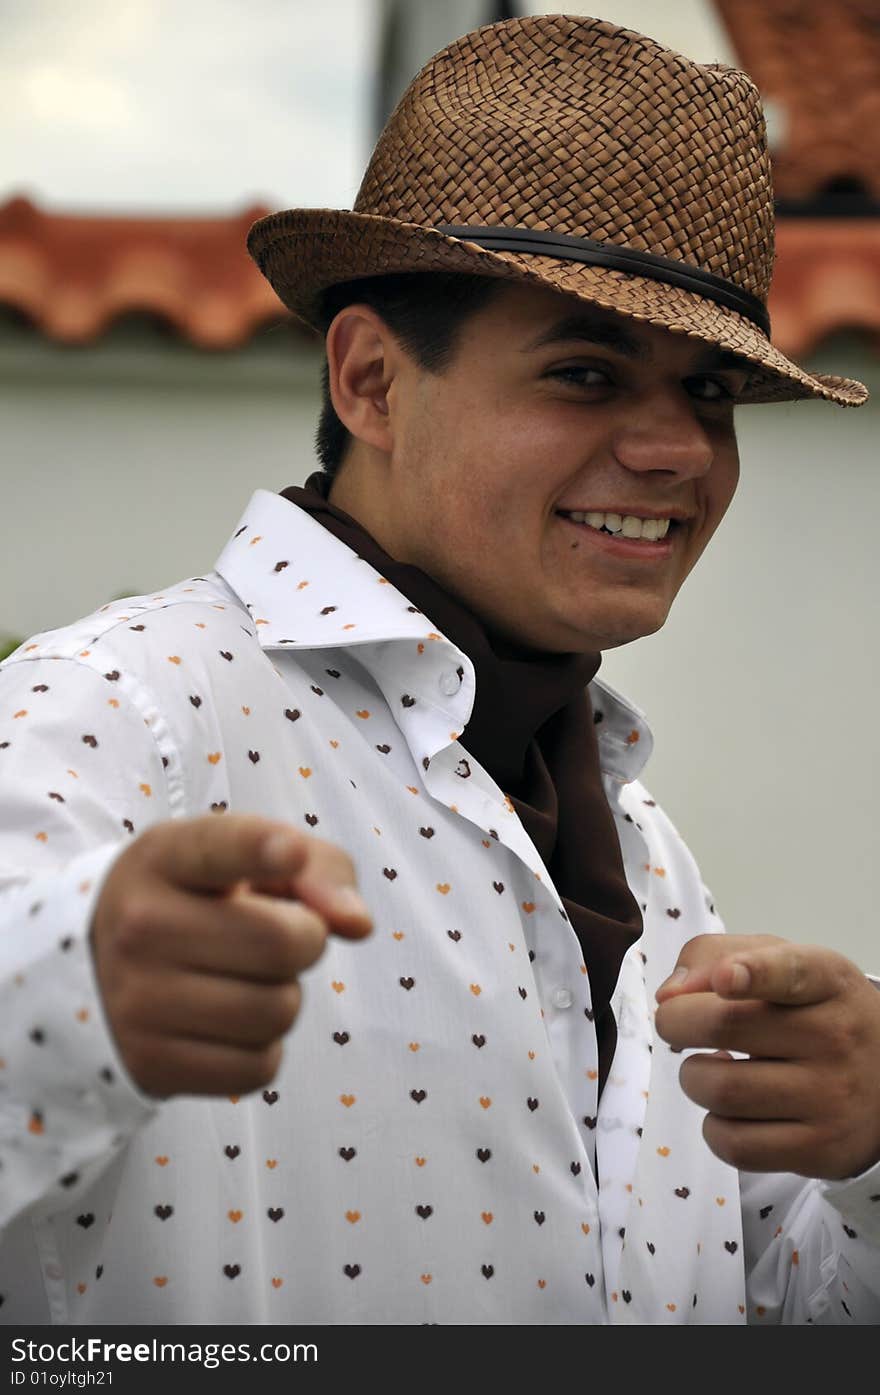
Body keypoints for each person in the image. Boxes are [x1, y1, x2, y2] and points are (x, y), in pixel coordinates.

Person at [1, 13, 878, 1328]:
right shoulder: (119, 707)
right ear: (370, 379)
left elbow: (779, 1306)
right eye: (586, 373)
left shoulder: (642, 850)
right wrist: (67, 992)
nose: (678, 451)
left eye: (709, 394)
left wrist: (868, 1148)